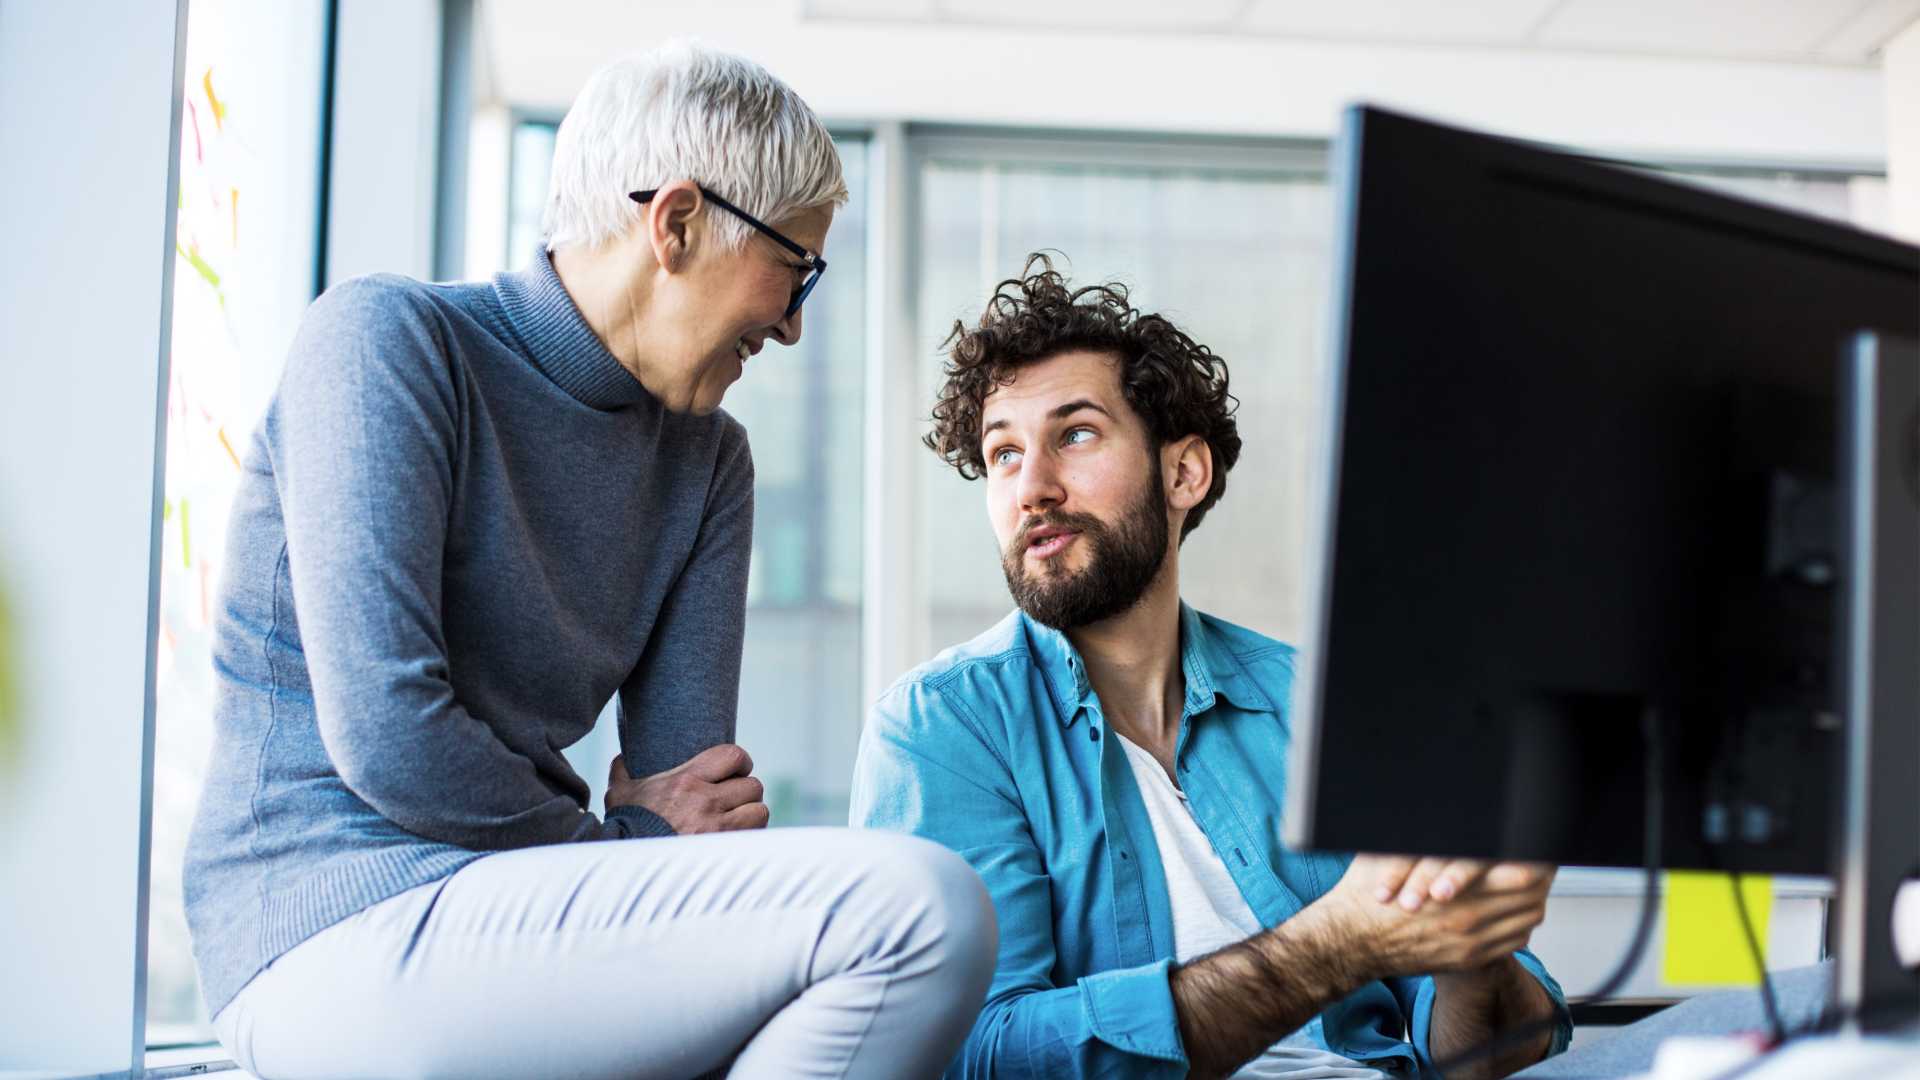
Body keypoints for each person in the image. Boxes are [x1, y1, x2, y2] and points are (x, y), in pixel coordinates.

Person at [184, 41, 993, 1079]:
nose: (794, 326)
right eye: (795, 269)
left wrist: (634, 845)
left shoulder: (709, 463)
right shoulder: (387, 340)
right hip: (328, 927)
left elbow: (690, 807)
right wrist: (611, 847)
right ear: (679, 222)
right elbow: (390, 738)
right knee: (916, 912)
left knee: (826, 979)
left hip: (520, 915)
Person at [851, 254, 1572, 1080]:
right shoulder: (943, 727)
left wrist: (1465, 949)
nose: (1032, 489)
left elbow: (1490, 1051)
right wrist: (1338, 943)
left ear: (1184, 472)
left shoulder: (1314, 703)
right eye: (1003, 454)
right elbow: (975, 1056)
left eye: (1074, 434)